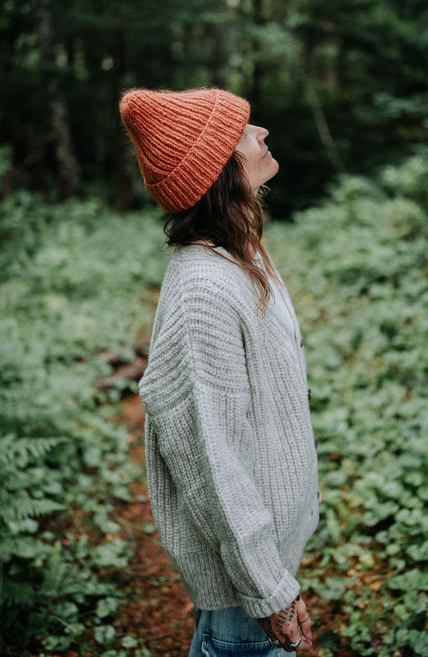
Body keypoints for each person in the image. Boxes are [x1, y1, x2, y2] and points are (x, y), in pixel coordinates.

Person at [120, 87, 319, 656]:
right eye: (243, 131)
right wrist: (269, 590)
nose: (261, 133)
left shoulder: (240, 254)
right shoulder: (204, 291)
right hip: (245, 584)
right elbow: (215, 461)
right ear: (218, 170)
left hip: (262, 556)